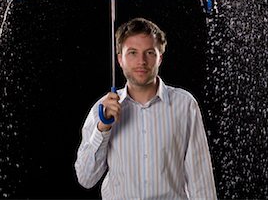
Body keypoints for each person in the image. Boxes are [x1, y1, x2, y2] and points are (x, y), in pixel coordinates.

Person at [75, 17, 217, 200]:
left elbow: (201, 180)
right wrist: (103, 128)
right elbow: (86, 179)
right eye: (132, 53)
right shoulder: (102, 109)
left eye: (149, 52)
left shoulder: (185, 105)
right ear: (120, 59)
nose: (141, 61)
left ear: (160, 58)